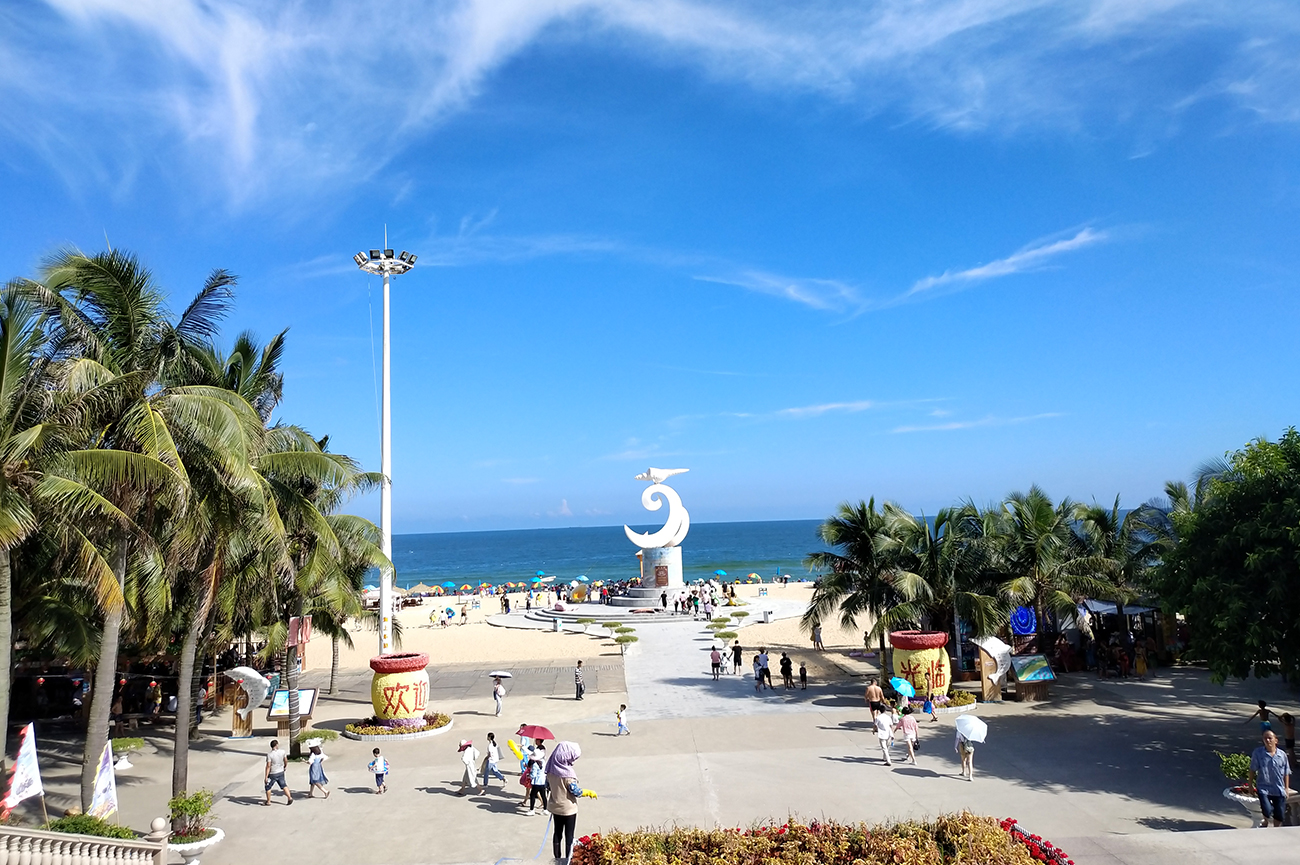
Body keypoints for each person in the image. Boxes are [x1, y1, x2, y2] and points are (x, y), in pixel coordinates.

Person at [545, 742, 585, 862]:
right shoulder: (568, 774)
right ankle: (568, 860)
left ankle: (557, 859)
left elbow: (548, 787)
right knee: (569, 836)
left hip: (555, 807)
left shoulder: (551, 771)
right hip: (568, 810)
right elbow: (575, 791)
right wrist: (584, 792)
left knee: (557, 834)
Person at [1248, 729, 1292, 827]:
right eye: (1265, 738)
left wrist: (1286, 788)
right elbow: (1252, 770)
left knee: (1279, 815)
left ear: (1276, 740)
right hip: (1264, 787)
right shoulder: (1258, 753)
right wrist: (1250, 785)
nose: (1267, 740)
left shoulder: (1282, 755)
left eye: (1270, 738)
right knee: (1267, 810)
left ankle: (1276, 830)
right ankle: (1266, 820)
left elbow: (1286, 772)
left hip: (1278, 788)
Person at [264, 740, 292, 805]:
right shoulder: (282, 752)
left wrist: (266, 776)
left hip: (273, 773)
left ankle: (268, 801)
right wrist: (285, 766)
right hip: (281, 771)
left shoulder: (270, 755)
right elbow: (286, 760)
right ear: (276, 745)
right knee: (284, 785)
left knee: (268, 787)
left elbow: (268, 766)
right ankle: (289, 798)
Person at [525, 745, 548, 814]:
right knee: (543, 796)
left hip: (536, 782)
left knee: (532, 795)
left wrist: (529, 776)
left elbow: (533, 775)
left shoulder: (535, 765)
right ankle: (545, 809)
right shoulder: (543, 762)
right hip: (542, 781)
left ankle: (532, 810)